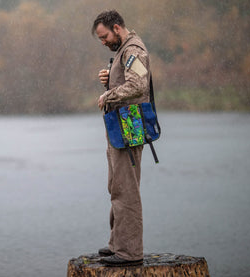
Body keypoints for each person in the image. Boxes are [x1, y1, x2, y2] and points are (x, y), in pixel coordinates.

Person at [91, 10, 151, 266]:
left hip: (129, 125)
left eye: (104, 36)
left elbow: (139, 85)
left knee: (126, 189)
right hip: (120, 125)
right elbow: (126, 83)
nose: (103, 42)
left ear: (117, 28)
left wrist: (108, 96)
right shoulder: (122, 51)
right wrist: (109, 83)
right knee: (116, 186)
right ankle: (118, 244)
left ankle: (129, 253)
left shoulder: (133, 50)